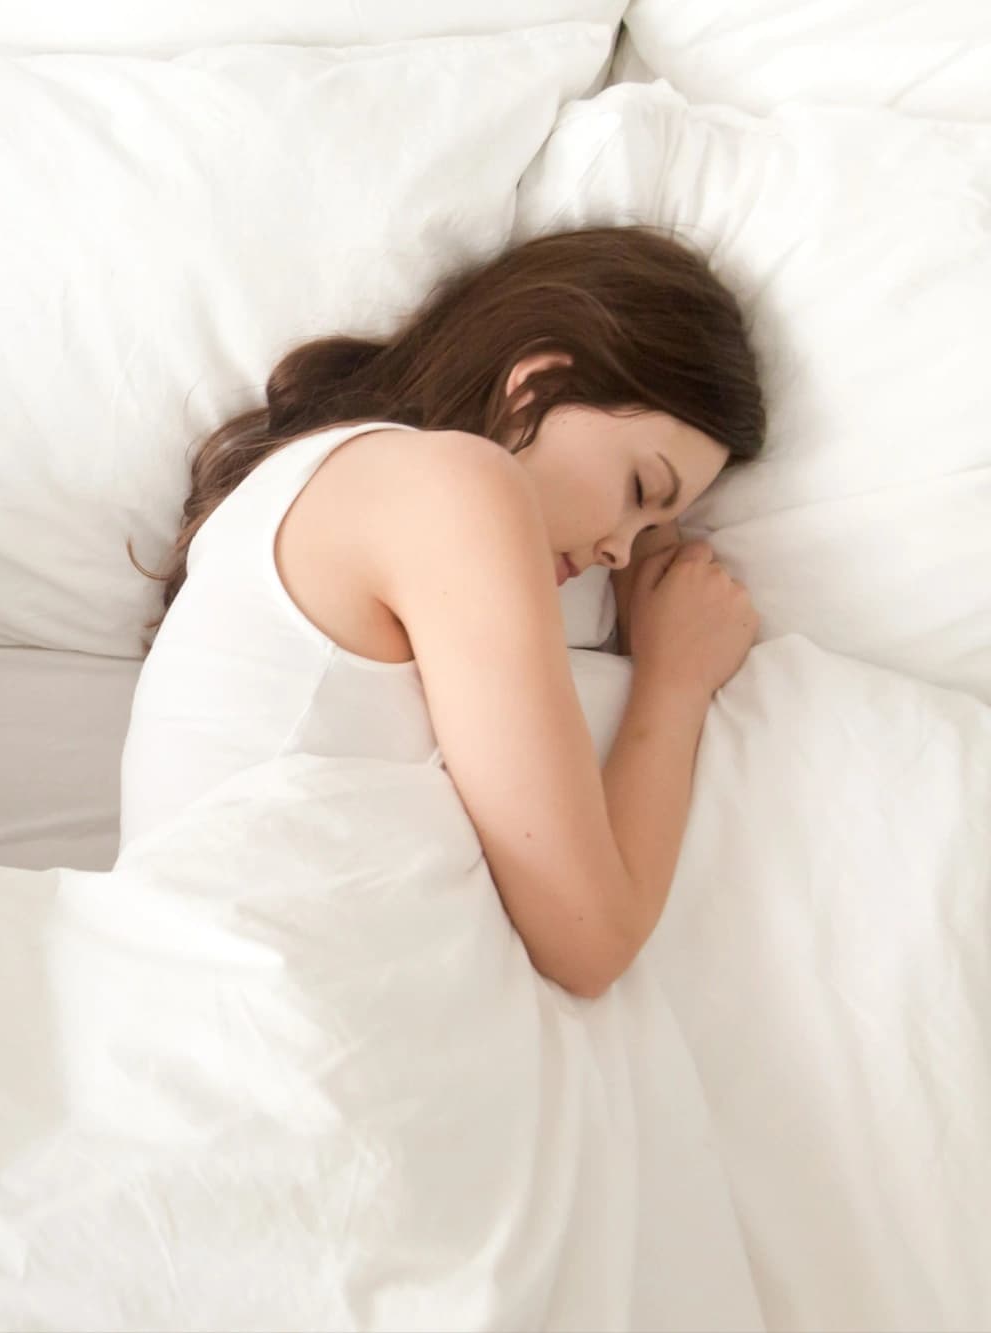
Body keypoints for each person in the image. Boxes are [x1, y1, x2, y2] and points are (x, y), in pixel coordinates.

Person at [119, 227, 766, 1000]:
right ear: (537, 384)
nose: (621, 553)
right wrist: (675, 680)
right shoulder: (453, 487)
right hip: (272, 1003)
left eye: (653, 528)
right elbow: (589, 943)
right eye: (639, 491)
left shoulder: (338, 484)